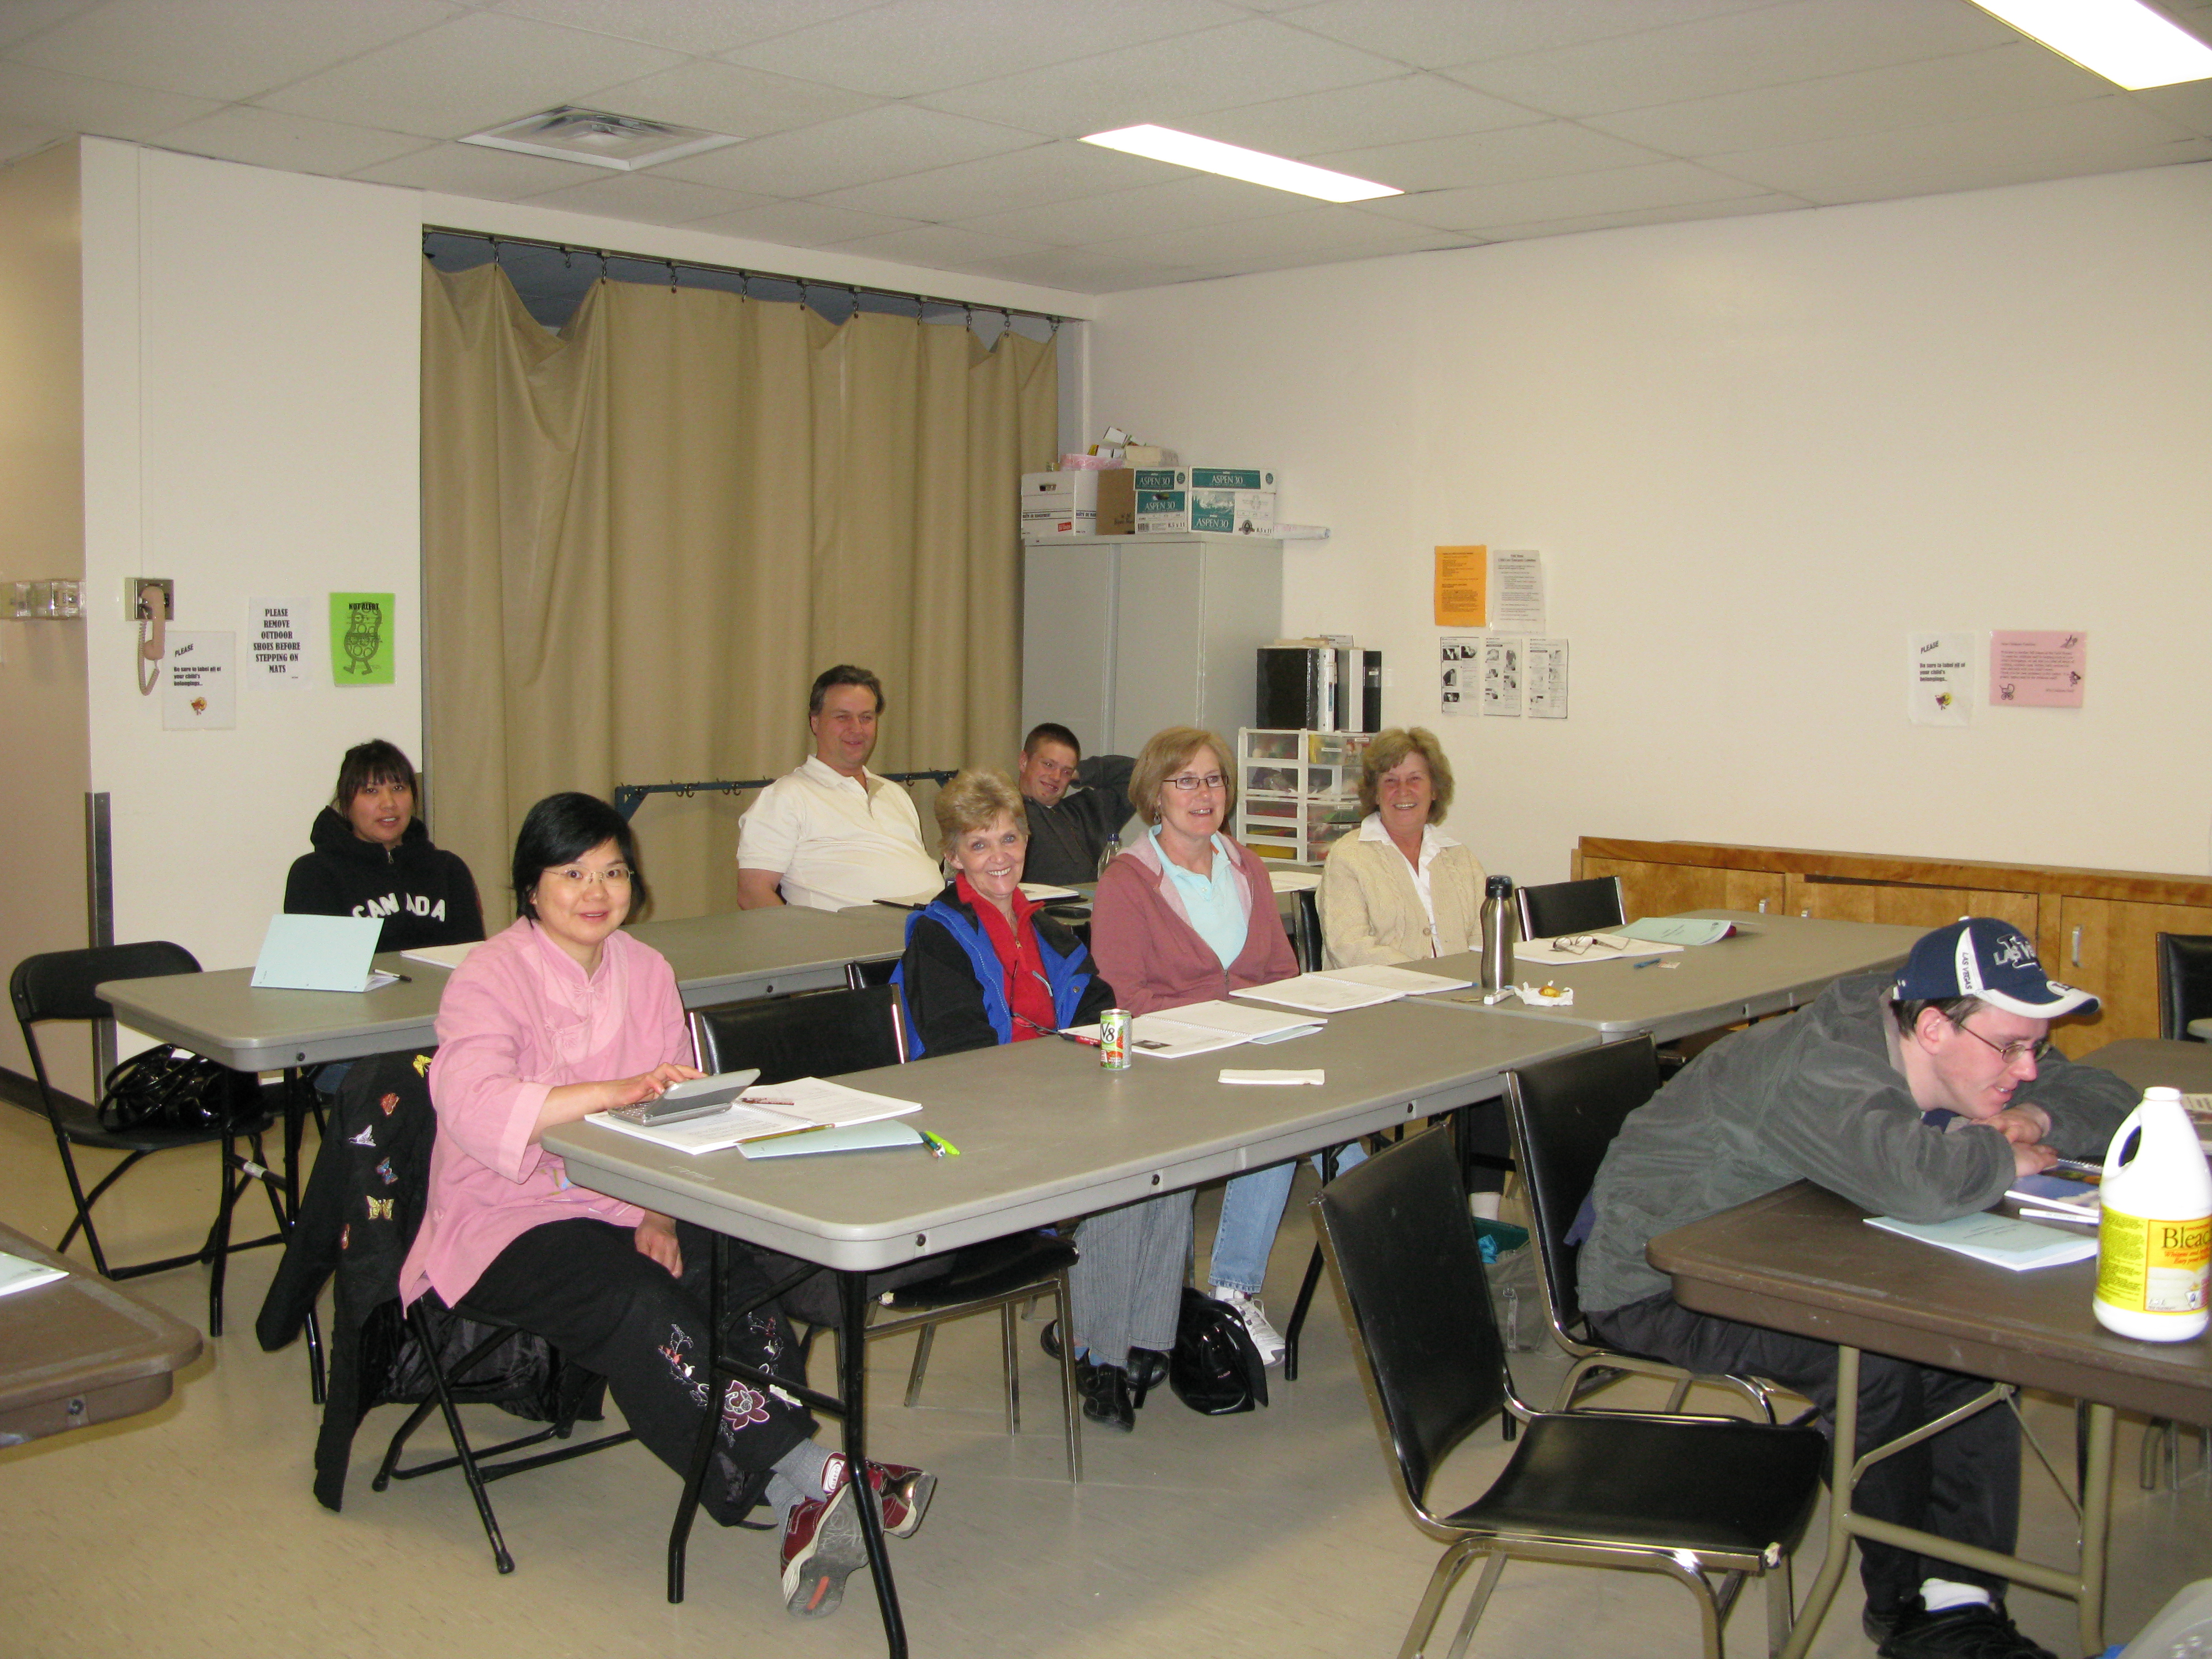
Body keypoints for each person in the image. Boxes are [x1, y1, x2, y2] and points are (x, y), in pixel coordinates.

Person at [398, 792, 933, 1619]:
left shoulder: (646, 970)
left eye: (613, 872)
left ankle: (802, 1498)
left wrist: (659, 1213)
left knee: (734, 1276)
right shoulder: (488, 976)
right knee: (641, 1304)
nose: (596, 891)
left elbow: (677, 1108)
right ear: (531, 887)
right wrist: (614, 1091)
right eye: (572, 873)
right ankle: (819, 1475)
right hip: (507, 1214)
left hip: (628, 1200)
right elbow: (471, 1106)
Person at [1576, 918, 2133, 1659]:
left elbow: (2109, 1095)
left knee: (1963, 1349)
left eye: (2036, 1046)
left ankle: (1960, 1600)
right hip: (1660, 1283)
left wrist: (2030, 1115)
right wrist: (1998, 1153)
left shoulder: (1945, 1026)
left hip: (1789, 1245)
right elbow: (1920, 1183)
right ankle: (1909, 1615)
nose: (2027, 1067)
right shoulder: (1822, 1065)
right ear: (1933, 1028)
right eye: (2011, 1048)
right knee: (1874, 1361)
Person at [891, 770, 1171, 1431]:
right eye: (979, 844)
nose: (999, 856)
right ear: (953, 856)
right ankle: (1100, 1355)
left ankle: (1145, 1339)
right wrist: (1063, 1079)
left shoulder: (1045, 929)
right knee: (1123, 1176)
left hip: (1054, 1106)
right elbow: (963, 1057)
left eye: (1009, 839)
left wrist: (1091, 1068)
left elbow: (1099, 1005)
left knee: (1168, 1161)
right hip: (976, 1130)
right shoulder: (938, 935)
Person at [1089, 726, 1319, 1369]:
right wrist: (1217, 1025)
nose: (1204, 793)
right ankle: (1232, 1291)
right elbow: (1123, 999)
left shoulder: (1247, 867)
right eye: (1185, 781)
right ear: (1154, 795)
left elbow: (1281, 973)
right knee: (1278, 1119)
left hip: (1252, 1044)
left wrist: (1269, 1025)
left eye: (1214, 779)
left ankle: (1369, 1277)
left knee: (1340, 1121)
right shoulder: (1128, 882)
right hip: (1170, 1060)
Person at [735, 665, 942, 910]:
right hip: (847, 933)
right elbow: (753, 893)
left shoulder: (894, 794)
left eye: (866, 718)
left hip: (933, 926)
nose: (857, 729)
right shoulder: (786, 796)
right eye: (842, 717)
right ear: (815, 723)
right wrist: (799, 936)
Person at [283, 738, 484, 954]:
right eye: (371, 791)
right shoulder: (314, 874)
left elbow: (473, 961)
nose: (389, 804)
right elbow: (315, 963)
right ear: (346, 803)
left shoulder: (448, 870)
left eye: (398, 788)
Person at [1316, 727, 1482, 967]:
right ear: (1376, 794)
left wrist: (1471, 977)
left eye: (1415, 779)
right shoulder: (1348, 857)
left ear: (1434, 790)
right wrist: (1424, 979)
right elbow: (1349, 948)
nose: (1403, 791)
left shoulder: (1461, 859)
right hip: (1382, 988)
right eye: (1390, 781)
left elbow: (1487, 939)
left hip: (1461, 984)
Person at [1015, 722, 1134, 886]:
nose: (1056, 777)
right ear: (1024, 761)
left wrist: (1080, 772)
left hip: (1097, 901)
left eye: (1066, 771)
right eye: (1049, 765)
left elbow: (1142, 773)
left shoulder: (1088, 811)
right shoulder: (1007, 817)